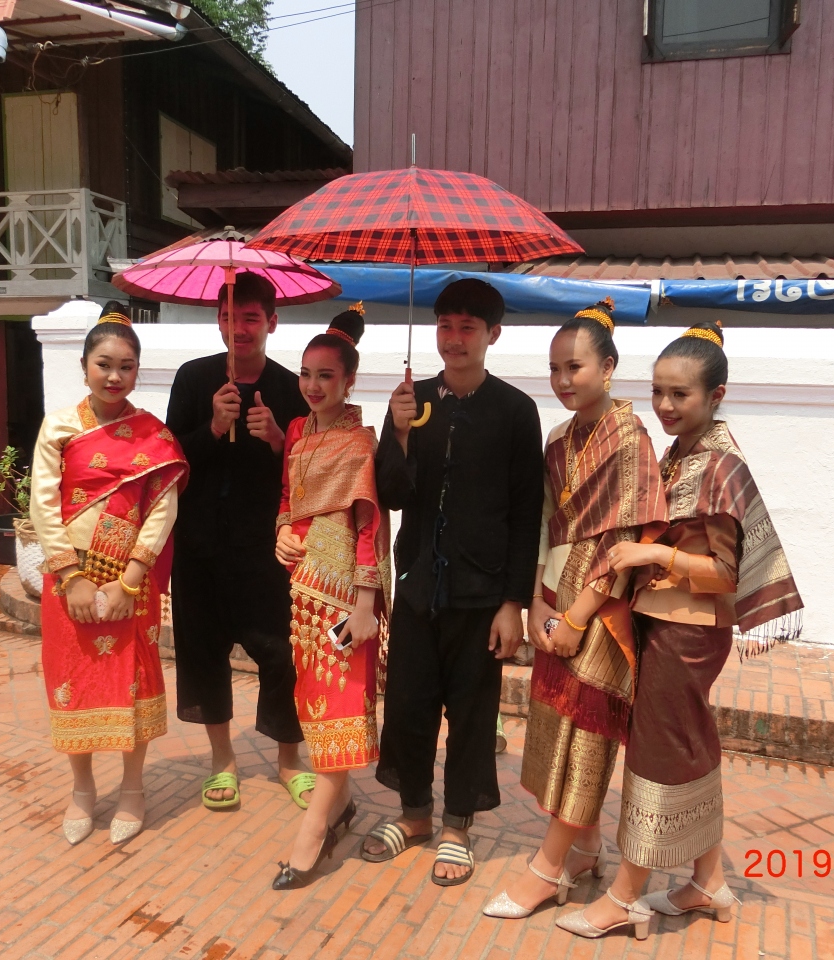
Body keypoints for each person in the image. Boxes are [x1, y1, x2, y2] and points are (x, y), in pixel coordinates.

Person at [559, 320, 804, 940]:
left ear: (715, 396)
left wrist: (654, 555)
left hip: (686, 633)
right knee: (689, 747)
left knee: (656, 755)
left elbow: (725, 573)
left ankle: (625, 896)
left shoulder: (719, 465)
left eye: (680, 395)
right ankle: (708, 883)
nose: (665, 406)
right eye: (658, 392)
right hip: (666, 625)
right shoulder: (681, 455)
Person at [483, 302, 667, 918]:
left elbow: (629, 541)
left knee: (585, 733)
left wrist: (580, 616)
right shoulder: (559, 438)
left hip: (602, 607)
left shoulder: (630, 439)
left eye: (576, 367)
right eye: (555, 368)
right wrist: (538, 599)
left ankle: (547, 868)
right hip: (554, 594)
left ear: (608, 368)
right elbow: (541, 519)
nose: (563, 379)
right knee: (553, 723)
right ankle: (585, 848)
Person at [361, 278, 544, 886]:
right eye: (445, 326)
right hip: (418, 583)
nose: (454, 339)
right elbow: (390, 495)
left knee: (471, 712)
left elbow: (526, 513)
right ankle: (414, 814)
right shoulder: (409, 402)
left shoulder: (515, 410)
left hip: (481, 592)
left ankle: (458, 825)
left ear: (493, 334)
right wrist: (400, 434)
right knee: (408, 705)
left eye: (468, 327)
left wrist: (513, 603)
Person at [30, 304, 188, 846]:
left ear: (138, 371)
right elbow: (43, 505)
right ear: (84, 367)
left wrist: (131, 579)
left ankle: (133, 790)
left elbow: (162, 509)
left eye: (126, 366)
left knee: (131, 681)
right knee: (71, 681)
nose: (114, 376)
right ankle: (81, 790)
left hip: (129, 583)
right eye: (104, 364)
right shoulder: (58, 427)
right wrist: (71, 577)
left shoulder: (154, 436)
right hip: (67, 578)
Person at [165, 272, 312, 811]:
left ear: (272, 322)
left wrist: (277, 441)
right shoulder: (193, 378)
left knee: (282, 652)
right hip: (199, 545)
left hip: (266, 549)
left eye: (250, 318)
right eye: (229, 317)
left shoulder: (292, 389)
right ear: (218, 321)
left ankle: (289, 759)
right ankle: (222, 759)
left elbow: (310, 475)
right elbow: (169, 460)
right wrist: (211, 426)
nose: (239, 328)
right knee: (203, 652)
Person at [270, 305, 390, 890]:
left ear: (349, 381)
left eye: (326, 376)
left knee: (339, 704)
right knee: (315, 701)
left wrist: (366, 605)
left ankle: (311, 835)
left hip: (343, 594)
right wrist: (279, 532)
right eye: (306, 374)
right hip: (301, 587)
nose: (313, 386)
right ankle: (339, 808)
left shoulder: (359, 441)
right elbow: (287, 499)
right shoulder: (297, 432)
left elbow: (368, 524)